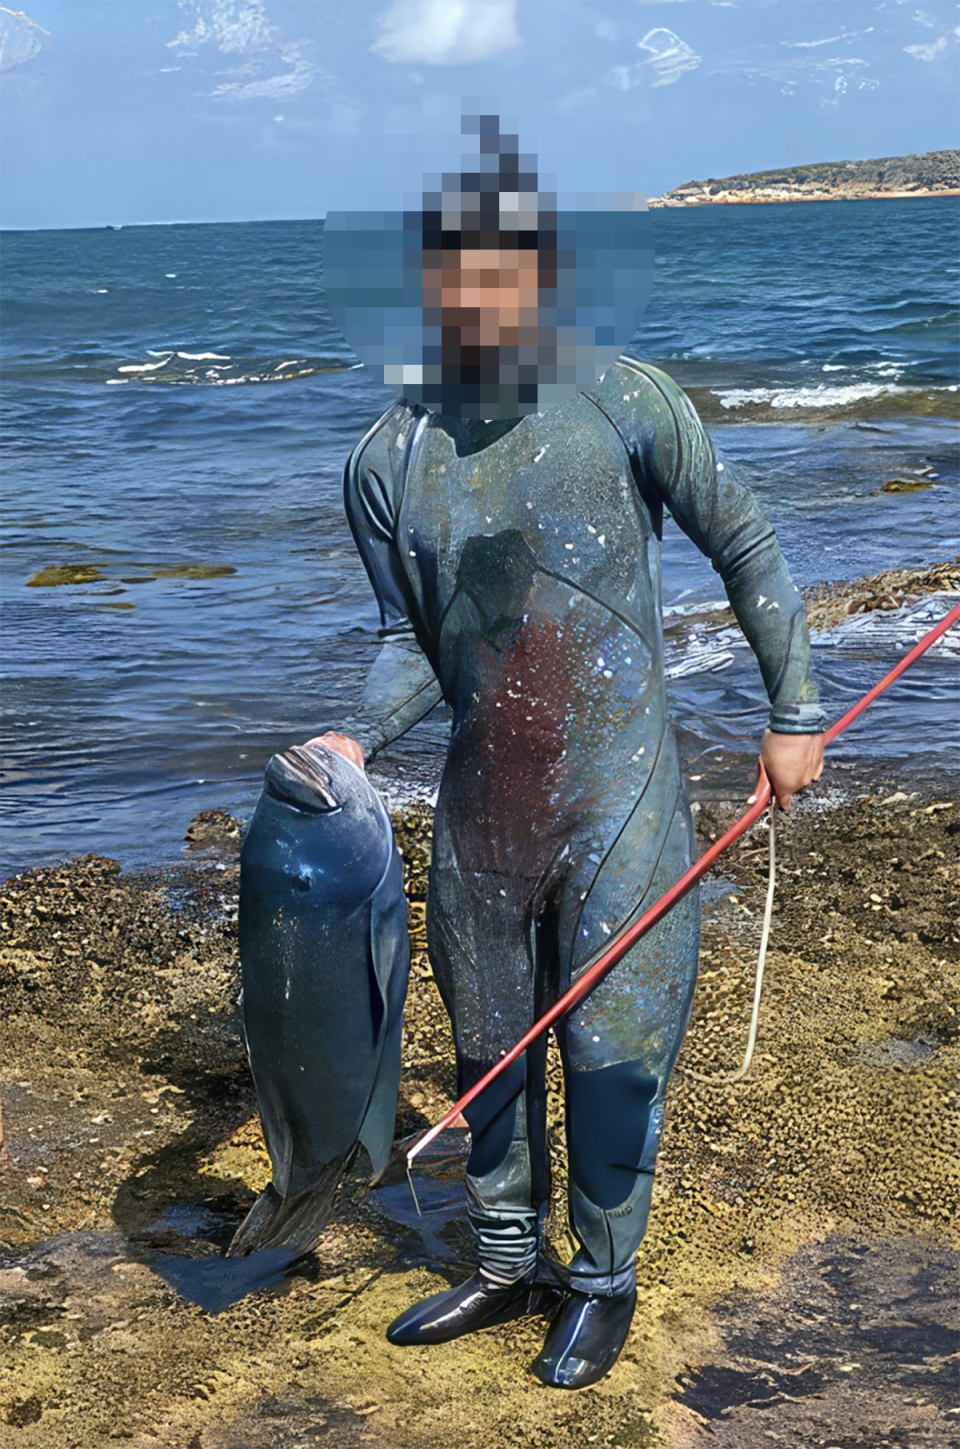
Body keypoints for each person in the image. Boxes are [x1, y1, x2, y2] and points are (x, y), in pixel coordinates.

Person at [317, 122, 825, 1390]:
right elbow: (413, 643)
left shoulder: (625, 397)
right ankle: (504, 1261)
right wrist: (350, 734)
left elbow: (748, 546)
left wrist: (795, 713)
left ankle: (600, 1279)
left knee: (611, 1054)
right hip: (484, 812)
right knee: (487, 1045)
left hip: (624, 800)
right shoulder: (390, 459)